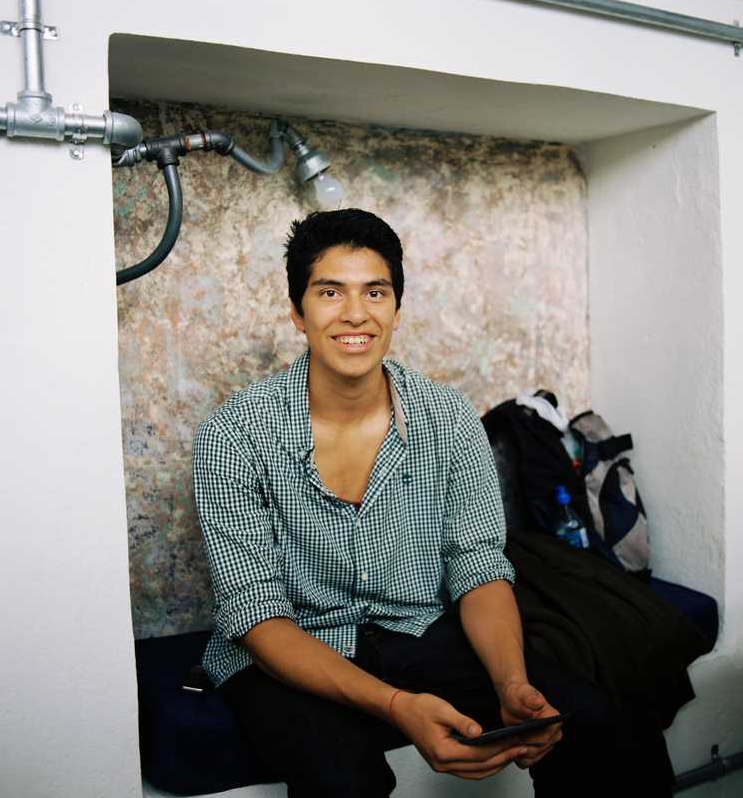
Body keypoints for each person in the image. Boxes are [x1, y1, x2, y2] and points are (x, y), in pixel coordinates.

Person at [193, 208, 673, 797]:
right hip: (293, 649)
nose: (355, 313)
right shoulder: (233, 434)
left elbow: (477, 563)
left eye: (375, 291)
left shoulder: (447, 417)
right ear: (298, 312)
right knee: (343, 779)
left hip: (416, 628)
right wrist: (399, 707)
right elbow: (256, 616)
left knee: (591, 721)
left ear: (396, 308)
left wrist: (511, 682)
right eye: (329, 292)